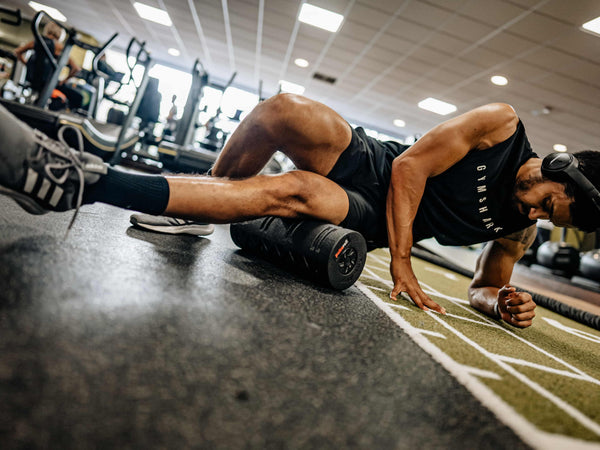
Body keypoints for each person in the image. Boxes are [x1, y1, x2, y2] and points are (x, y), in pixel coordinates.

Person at [1, 94, 599, 329]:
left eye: (554, 220)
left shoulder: (517, 229)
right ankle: (199, 203)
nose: (542, 217)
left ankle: (82, 179)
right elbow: (411, 170)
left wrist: (501, 300)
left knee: (296, 192)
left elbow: (483, 286)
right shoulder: (500, 125)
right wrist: (405, 269)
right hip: (379, 165)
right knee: (282, 110)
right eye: (553, 203)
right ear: (558, 168)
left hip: (366, 215)